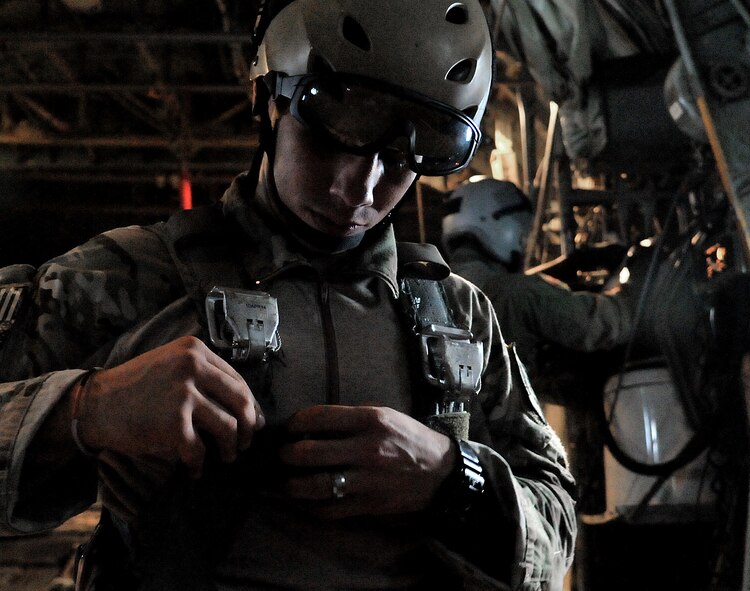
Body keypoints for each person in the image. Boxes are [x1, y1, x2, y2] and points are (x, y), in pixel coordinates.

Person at [0, 2, 576, 590]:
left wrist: (454, 478)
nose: (360, 186)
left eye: (407, 154)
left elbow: (556, 533)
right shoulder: (130, 280)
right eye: (334, 129)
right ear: (267, 96)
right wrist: (84, 410)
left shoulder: (459, 317)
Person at [440, 178, 633, 399]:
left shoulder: (446, 288)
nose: (523, 244)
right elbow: (601, 324)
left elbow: (505, 291)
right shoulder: (519, 293)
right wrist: (634, 280)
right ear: (501, 226)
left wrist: (567, 265)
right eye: (523, 235)